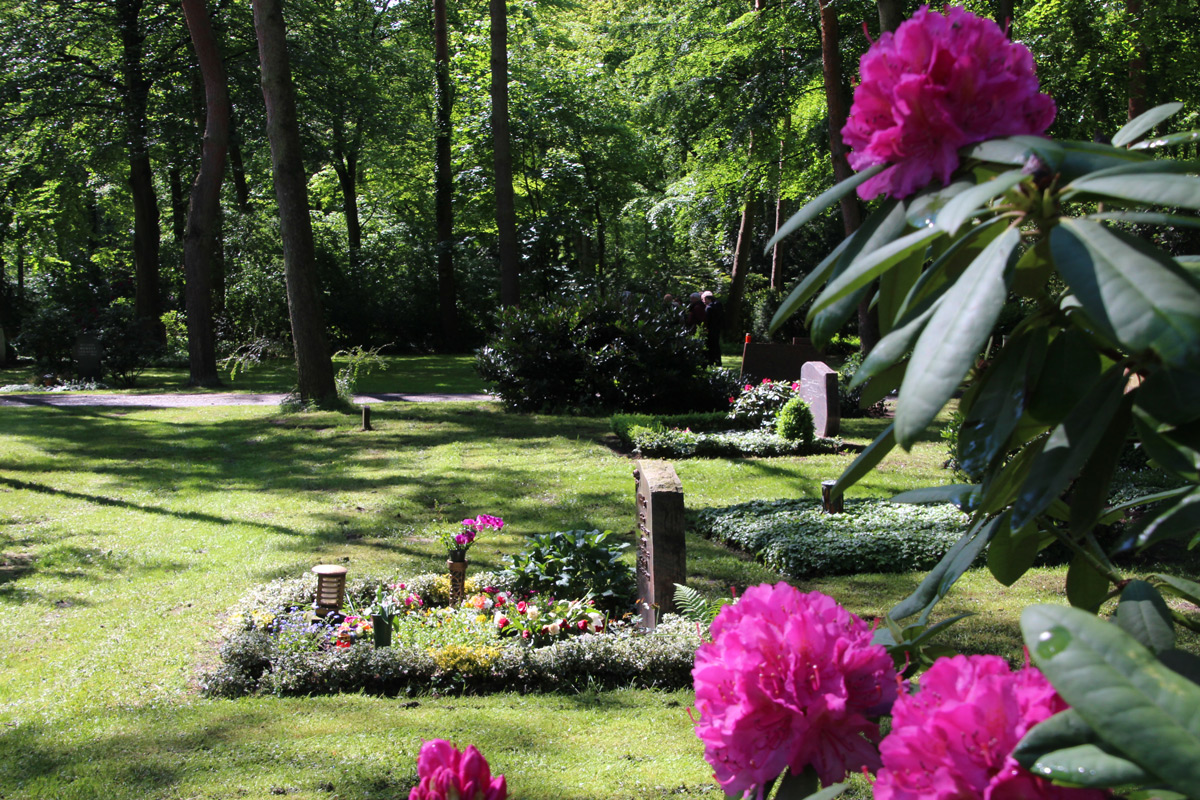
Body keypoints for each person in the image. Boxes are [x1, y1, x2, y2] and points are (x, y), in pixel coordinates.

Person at [701, 290, 724, 365]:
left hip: (710, 329)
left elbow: (707, 319)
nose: (704, 301)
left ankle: (711, 360)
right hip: (716, 328)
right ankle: (717, 360)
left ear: (709, 299)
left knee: (710, 345)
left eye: (705, 299)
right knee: (716, 345)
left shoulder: (709, 308)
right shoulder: (718, 305)